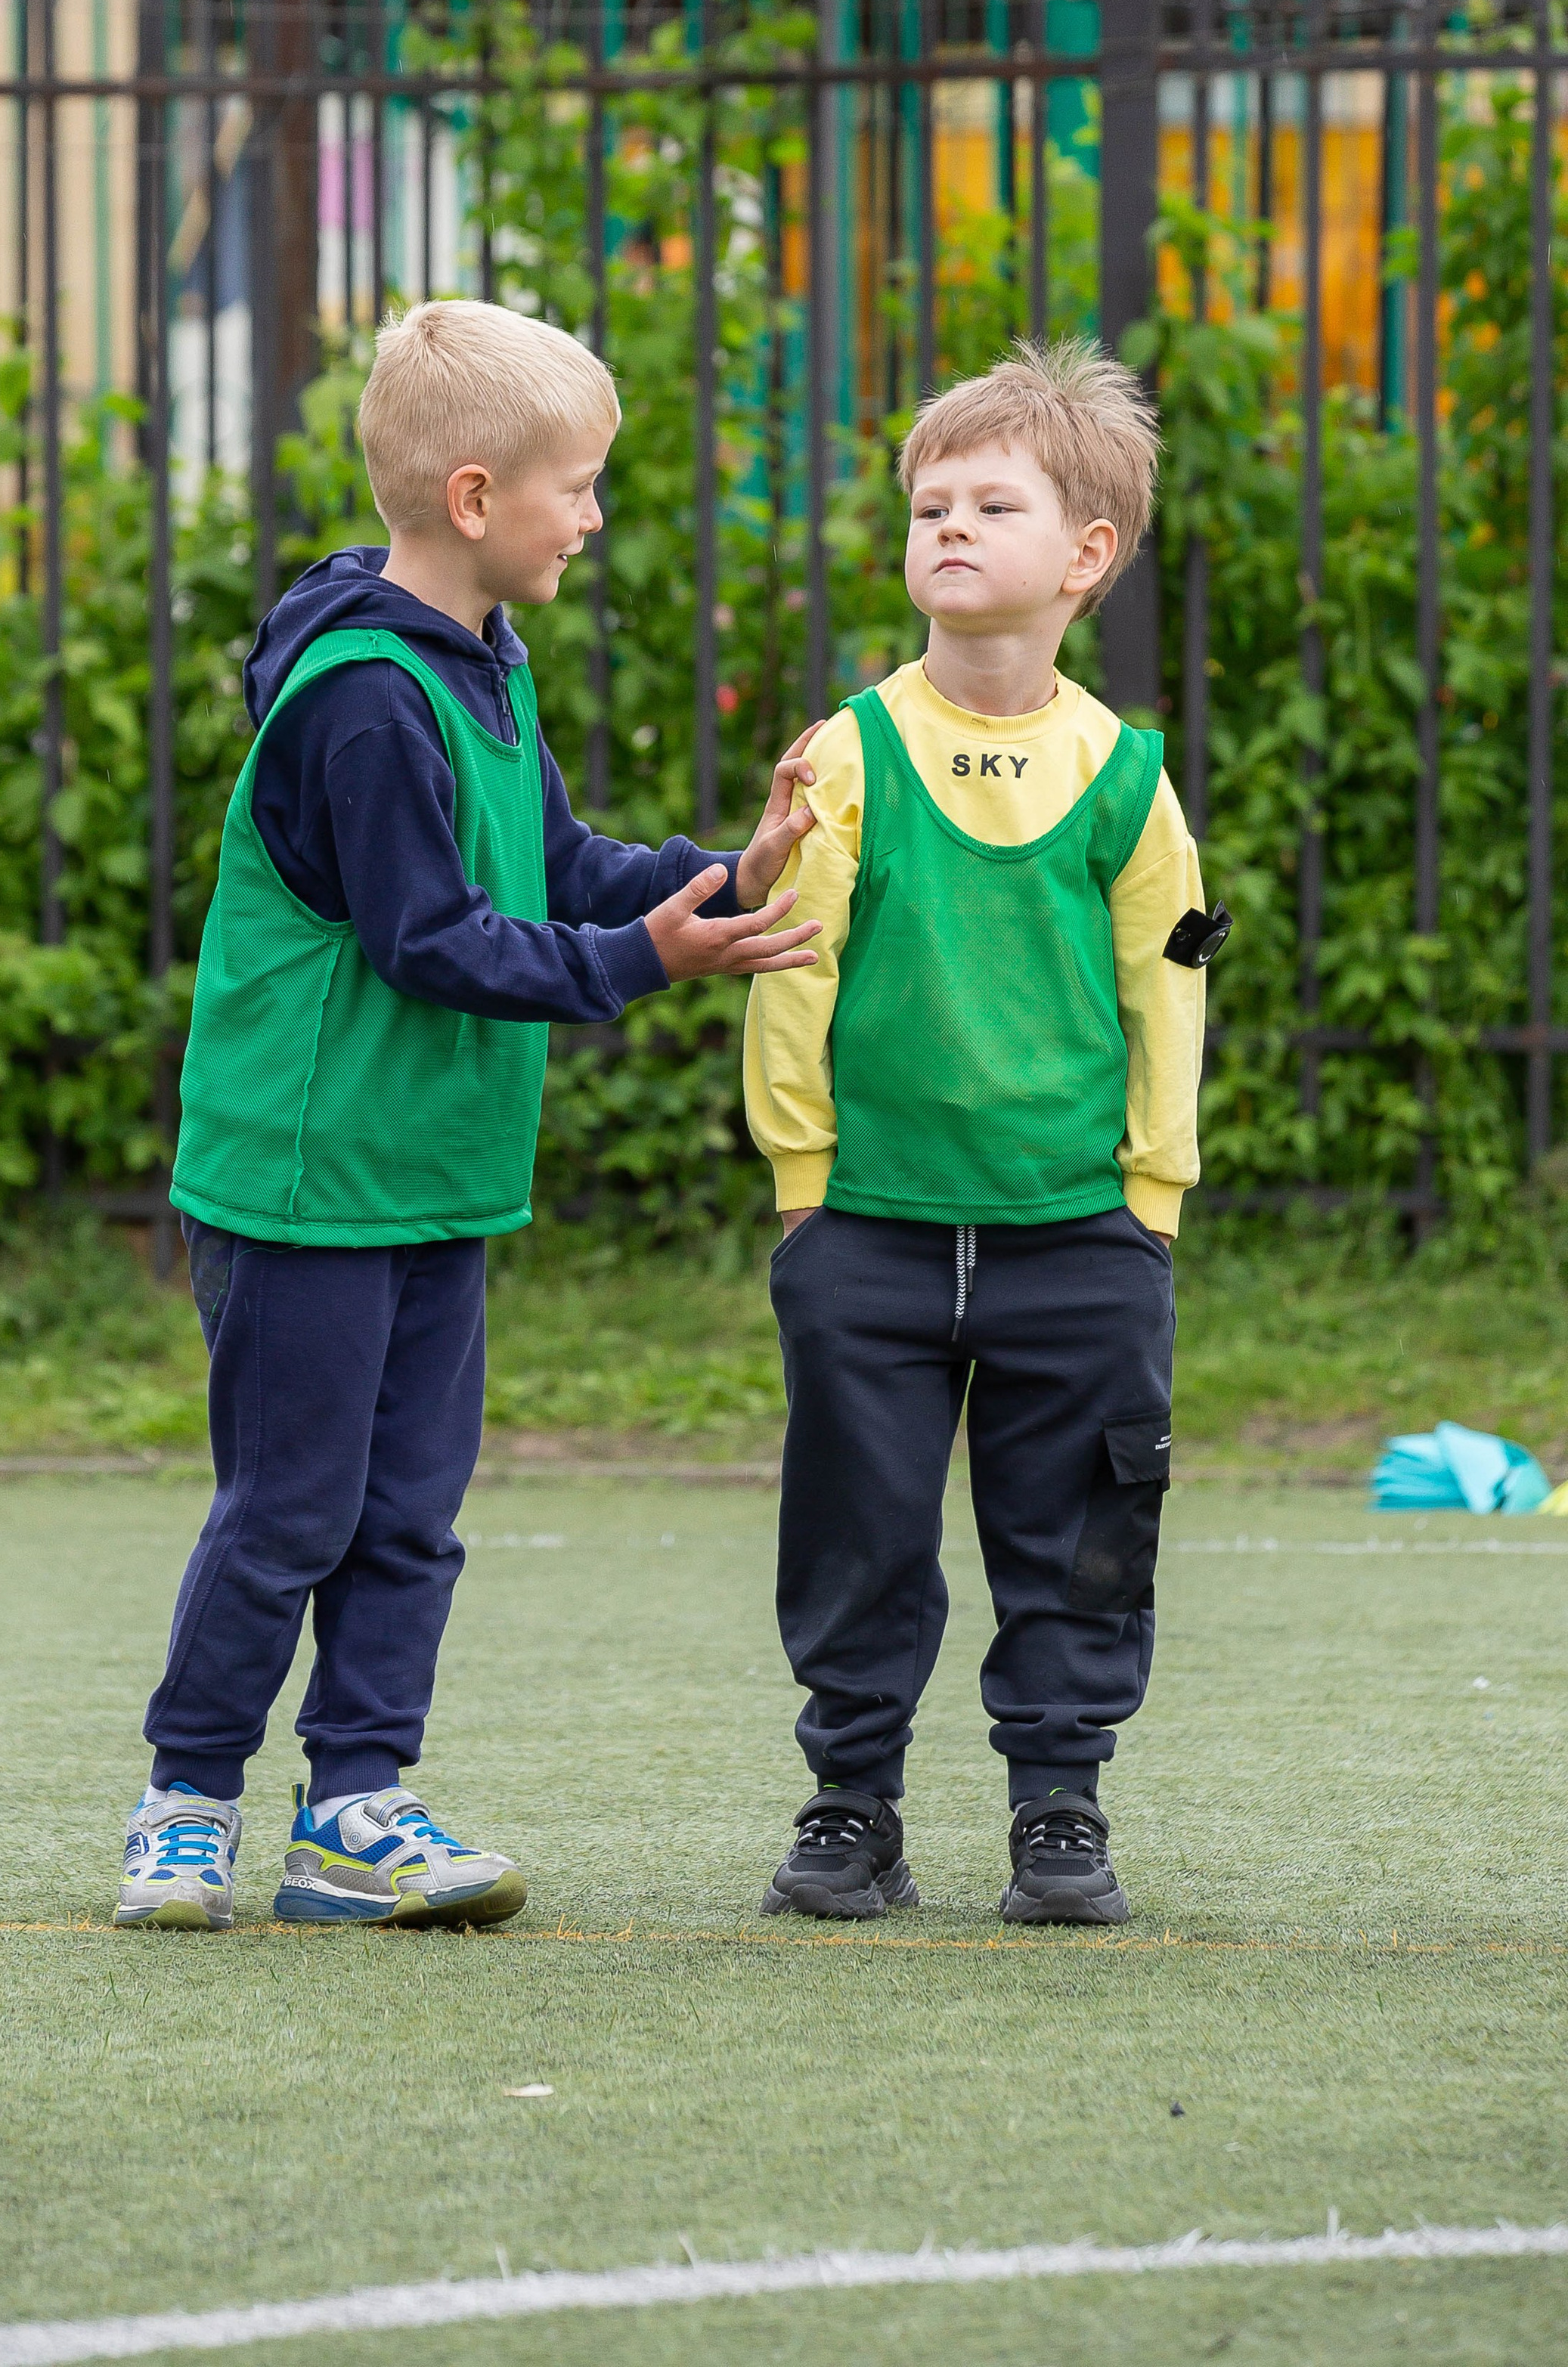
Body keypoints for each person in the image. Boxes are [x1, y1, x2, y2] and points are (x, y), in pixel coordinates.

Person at [117, 298, 822, 1933]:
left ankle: (353, 1809)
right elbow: (429, 939)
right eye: (576, 486)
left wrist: (718, 876)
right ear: (473, 500)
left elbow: (552, 867)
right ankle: (186, 1800)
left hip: (428, 1176)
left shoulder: (482, 662)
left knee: (411, 1514)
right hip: (305, 1180)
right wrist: (648, 960)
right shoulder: (364, 696)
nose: (592, 518)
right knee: (288, 1510)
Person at [744, 338, 1216, 1929]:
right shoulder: (845, 754)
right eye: (925, 502)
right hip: (866, 1232)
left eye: (989, 502)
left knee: (1079, 1531)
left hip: (1077, 1234)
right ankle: (848, 1805)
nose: (946, 525)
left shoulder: (1124, 780)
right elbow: (789, 976)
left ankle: (1058, 1808)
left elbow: (1169, 996)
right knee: (855, 1537)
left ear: (1083, 556)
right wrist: (802, 1192)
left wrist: (1148, 1197)